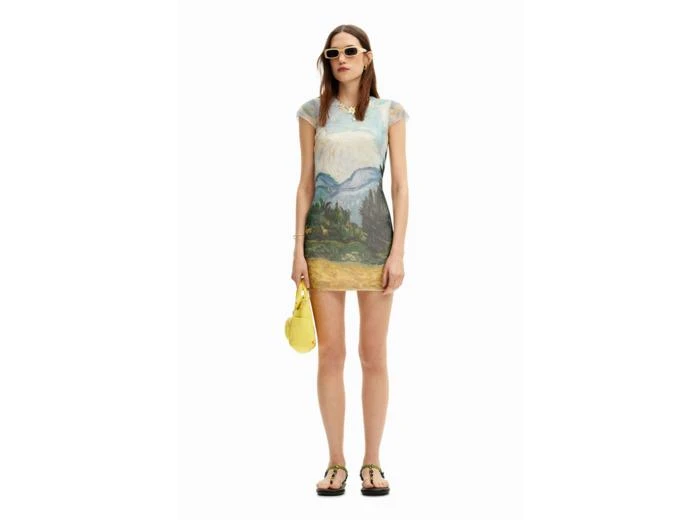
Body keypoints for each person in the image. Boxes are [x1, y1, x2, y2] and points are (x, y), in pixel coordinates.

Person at [291, 24, 410, 497]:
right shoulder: (312, 112)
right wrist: (297, 249)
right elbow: (305, 183)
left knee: (373, 355)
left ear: (367, 57)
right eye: (332, 53)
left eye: (350, 51)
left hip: (375, 245)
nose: (341, 58)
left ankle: (373, 461)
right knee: (331, 354)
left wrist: (398, 251)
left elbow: (399, 185)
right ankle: (336, 462)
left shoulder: (389, 112)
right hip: (322, 245)